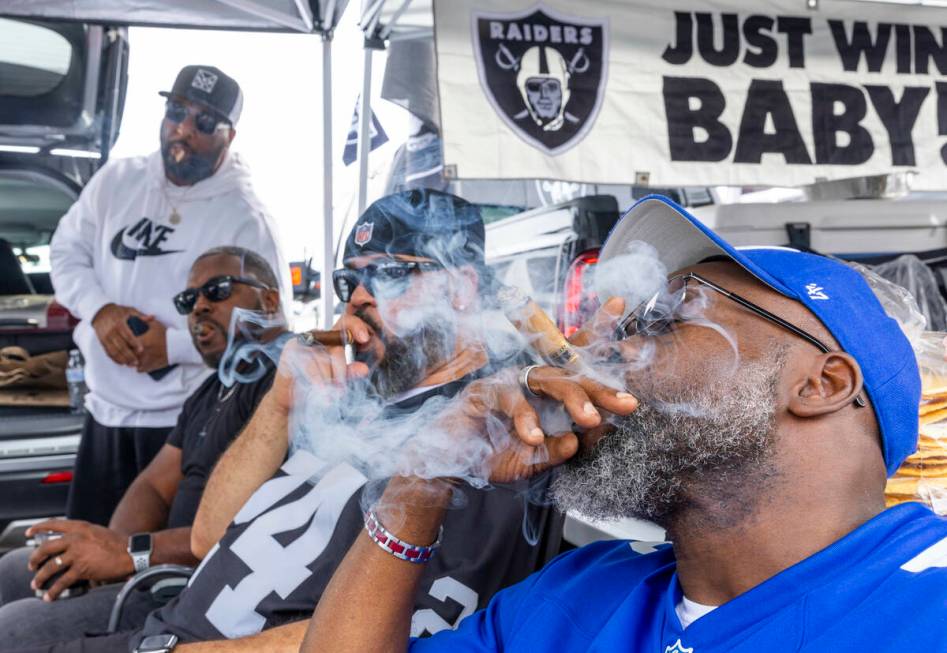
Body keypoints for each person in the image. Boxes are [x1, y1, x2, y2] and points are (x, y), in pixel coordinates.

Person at [300, 194, 947, 652]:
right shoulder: (580, 591)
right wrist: (421, 478)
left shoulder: (927, 609)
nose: (597, 345)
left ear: (821, 384)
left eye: (664, 313)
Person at [6, 190, 581, 653]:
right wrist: (281, 399)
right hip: (167, 624)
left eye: (382, 275)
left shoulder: (487, 427)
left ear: (459, 289)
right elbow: (209, 536)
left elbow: (413, 629)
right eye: (346, 282)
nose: (355, 299)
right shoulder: (349, 398)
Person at [0, 247, 287, 648]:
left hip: (207, 591)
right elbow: (154, 484)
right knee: (14, 569)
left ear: (269, 299)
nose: (199, 307)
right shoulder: (212, 389)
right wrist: (109, 553)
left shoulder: (286, 384)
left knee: (13, 631)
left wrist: (130, 553)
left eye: (217, 290)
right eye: (189, 301)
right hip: (157, 570)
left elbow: (256, 529)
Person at [49, 65, 292, 526]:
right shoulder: (116, 181)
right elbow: (65, 252)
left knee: (151, 567)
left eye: (203, 122)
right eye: (175, 112)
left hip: (179, 426)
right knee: (83, 555)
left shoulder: (246, 218)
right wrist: (99, 311)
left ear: (229, 134)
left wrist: (174, 346)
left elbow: (272, 328)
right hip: (105, 417)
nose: (183, 129)